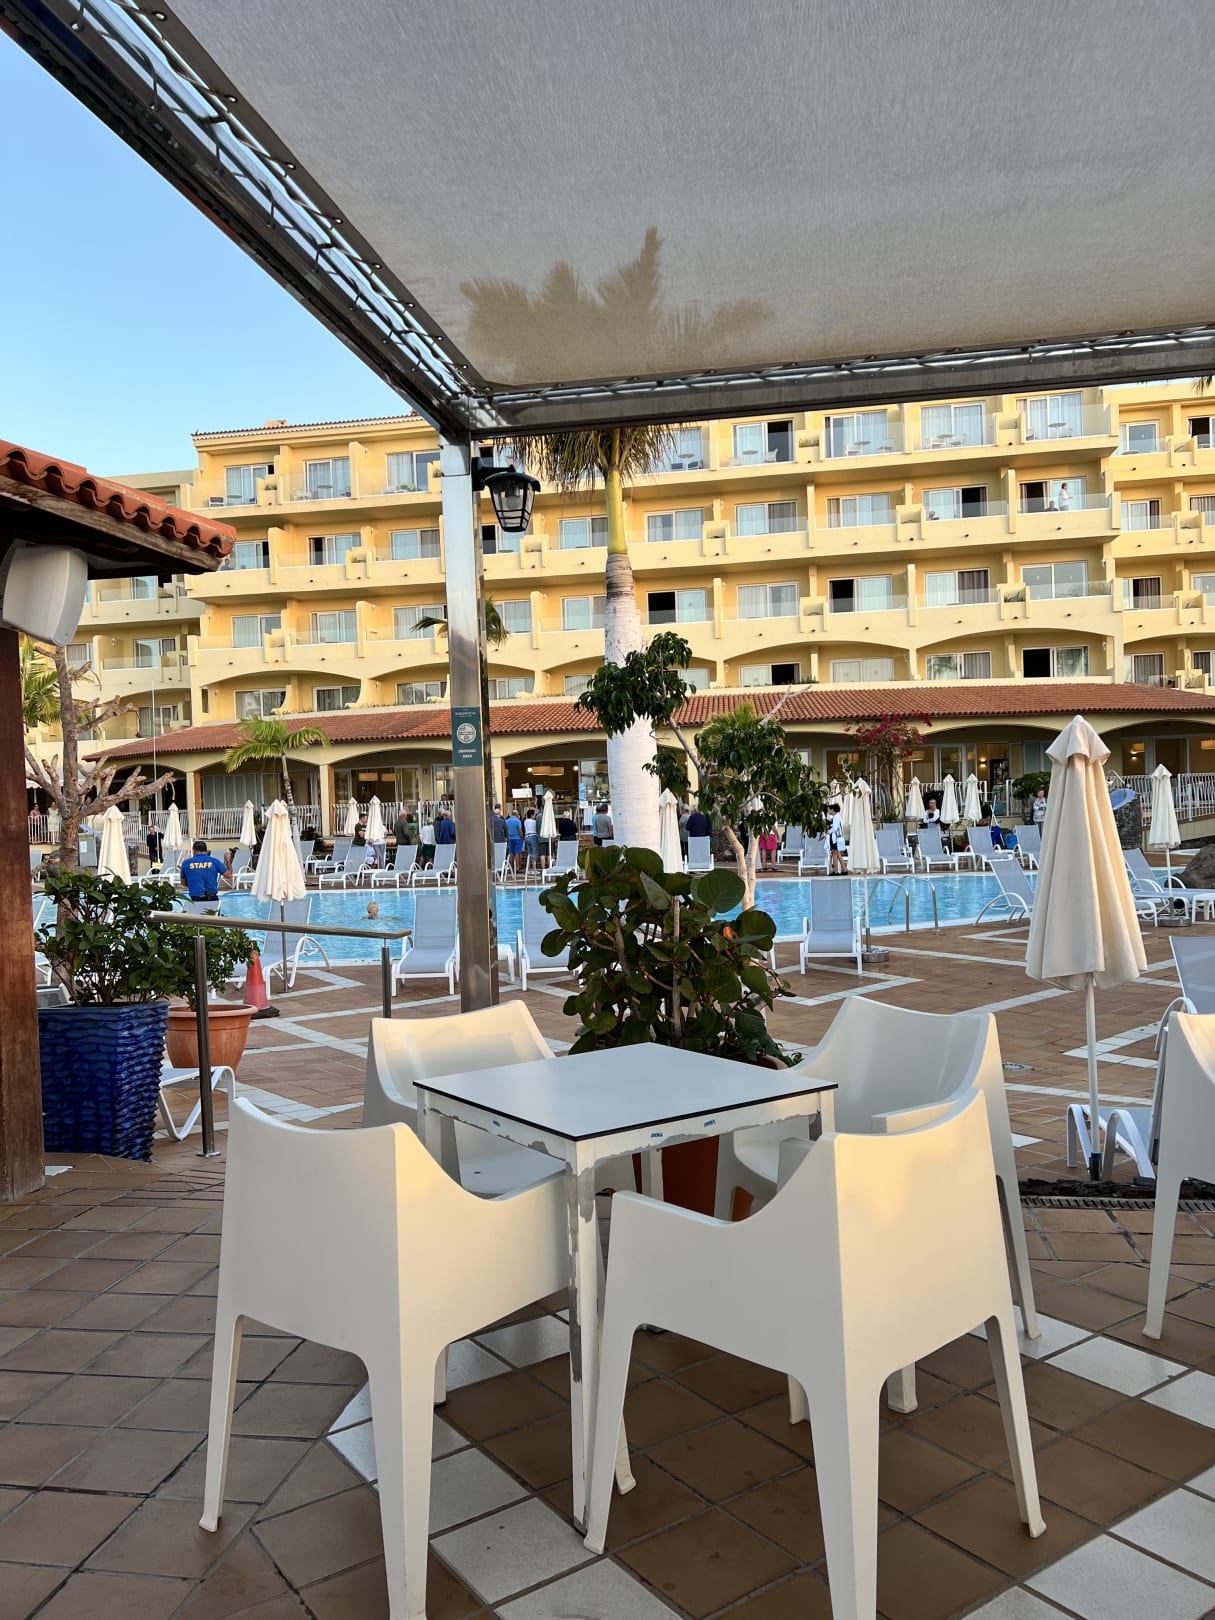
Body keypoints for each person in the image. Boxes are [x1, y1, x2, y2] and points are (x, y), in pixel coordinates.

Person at [826, 803, 846, 875]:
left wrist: (828, 832)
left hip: (835, 838)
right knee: (837, 854)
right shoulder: (836, 817)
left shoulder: (836, 817)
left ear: (832, 810)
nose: (828, 811)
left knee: (834, 853)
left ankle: (836, 871)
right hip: (836, 838)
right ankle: (844, 869)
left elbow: (835, 828)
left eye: (829, 810)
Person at [504, 807, 524, 871]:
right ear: (516, 815)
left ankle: (511, 867)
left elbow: (505, 830)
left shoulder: (506, 821)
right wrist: (522, 838)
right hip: (517, 838)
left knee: (511, 853)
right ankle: (517, 867)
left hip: (510, 838)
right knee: (517, 852)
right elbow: (520, 830)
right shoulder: (518, 821)